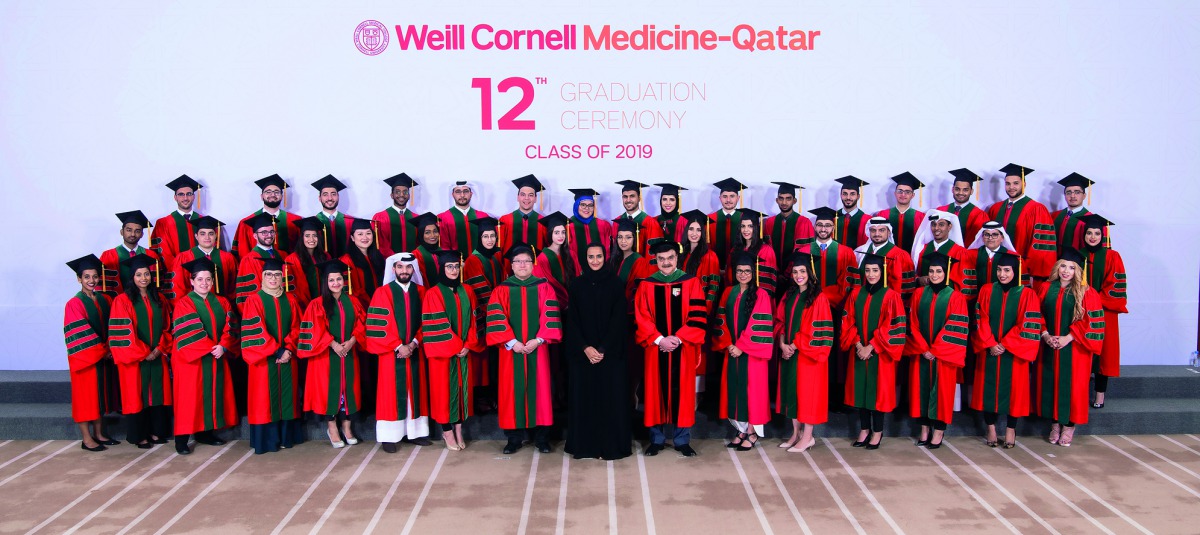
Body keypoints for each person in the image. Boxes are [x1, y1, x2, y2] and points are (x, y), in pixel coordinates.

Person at [485, 245, 563, 454]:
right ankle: (513, 439)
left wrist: (538, 340)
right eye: (518, 261)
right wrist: (512, 342)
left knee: (541, 391)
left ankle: (542, 439)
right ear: (511, 265)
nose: (522, 265)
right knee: (511, 392)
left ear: (532, 264)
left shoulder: (544, 287)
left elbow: (550, 315)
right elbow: (496, 318)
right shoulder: (502, 290)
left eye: (526, 261)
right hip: (511, 352)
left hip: (538, 349)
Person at [634, 241, 708, 457]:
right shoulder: (647, 285)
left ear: (677, 258)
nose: (666, 263)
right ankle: (656, 440)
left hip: (682, 349)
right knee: (654, 393)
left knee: (683, 394)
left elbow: (697, 316)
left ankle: (682, 440)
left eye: (670, 258)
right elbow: (642, 317)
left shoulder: (691, 283)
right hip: (655, 349)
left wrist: (677, 338)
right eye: (661, 259)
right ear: (656, 260)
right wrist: (660, 340)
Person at [564, 243, 632, 460]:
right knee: (585, 400)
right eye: (591, 257)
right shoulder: (577, 285)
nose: (595, 261)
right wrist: (586, 348)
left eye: (599, 256)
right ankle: (586, 447)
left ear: (605, 257)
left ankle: (610, 446)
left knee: (610, 400)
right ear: (585, 259)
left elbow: (618, 320)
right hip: (583, 355)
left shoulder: (615, 283)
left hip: (610, 355)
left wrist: (602, 349)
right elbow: (572, 321)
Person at [970, 251, 1042, 449]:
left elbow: (1027, 324)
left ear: (1015, 271)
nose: (1002, 274)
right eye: (1000, 270)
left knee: (1015, 394)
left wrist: (1005, 344)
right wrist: (990, 343)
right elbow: (980, 318)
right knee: (987, 391)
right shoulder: (987, 290)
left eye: (1007, 270)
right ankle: (991, 428)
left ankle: (1011, 429)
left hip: (1014, 353)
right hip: (989, 350)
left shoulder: (1027, 294)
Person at [1036, 248, 1105, 447]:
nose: (1066, 271)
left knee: (1073, 388)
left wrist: (1068, 337)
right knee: (1051, 385)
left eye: (1072, 268)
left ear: (1078, 271)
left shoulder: (1086, 292)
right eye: (1063, 266)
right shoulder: (1046, 288)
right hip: (1049, 345)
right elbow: (1035, 313)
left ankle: (1069, 426)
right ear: (1057, 267)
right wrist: (1046, 335)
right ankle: (1055, 425)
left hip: (1076, 348)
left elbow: (1092, 321)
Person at [365, 252, 433, 452]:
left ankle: (416, 433)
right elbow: (379, 325)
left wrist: (414, 343)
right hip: (391, 354)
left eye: (408, 267)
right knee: (390, 394)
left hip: (415, 351)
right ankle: (390, 436)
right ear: (393, 269)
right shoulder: (383, 292)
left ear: (413, 269)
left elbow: (427, 321)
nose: (404, 271)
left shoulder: (422, 292)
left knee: (416, 392)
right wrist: (398, 346)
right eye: (400, 267)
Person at [171, 257, 238, 455]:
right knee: (189, 399)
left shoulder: (222, 301)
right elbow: (189, 332)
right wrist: (211, 347)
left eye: (208, 279)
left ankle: (205, 434)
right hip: (190, 361)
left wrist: (224, 346)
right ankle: (181, 440)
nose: (204, 283)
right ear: (191, 281)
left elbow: (231, 326)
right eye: (200, 279)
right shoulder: (184, 303)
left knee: (211, 396)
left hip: (216, 356)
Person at [840, 252, 907, 450]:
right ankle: (864, 429)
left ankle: (877, 431)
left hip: (880, 354)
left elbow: (893, 326)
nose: (871, 274)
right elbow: (847, 321)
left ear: (882, 272)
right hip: (859, 351)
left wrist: (872, 346)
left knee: (878, 394)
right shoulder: (855, 294)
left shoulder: (892, 296)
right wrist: (858, 344)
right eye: (868, 270)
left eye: (875, 270)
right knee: (860, 392)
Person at [903, 252, 969, 449]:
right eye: (931, 271)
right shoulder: (918, 294)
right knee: (920, 391)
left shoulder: (956, 297)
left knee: (942, 393)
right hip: (921, 352)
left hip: (944, 356)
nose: (934, 275)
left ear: (946, 273)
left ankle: (939, 431)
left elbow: (955, 327)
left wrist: (936, 349)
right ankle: (924, 430)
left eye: (939, 271)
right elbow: (912, 323)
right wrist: (923, 348)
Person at [239, 258, 305, 454]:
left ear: (282, 277)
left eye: (277, 275)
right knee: (264, 400)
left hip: (287, 358)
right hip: (264, 361)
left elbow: (297, 327)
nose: (273, 278)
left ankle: (285, 438)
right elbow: (255, 331)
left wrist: (289, 348)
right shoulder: (254, 300)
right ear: (263, 277)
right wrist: (277, 350)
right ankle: (267, 442)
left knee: (287, 398)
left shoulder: (290, 299)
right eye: (269, 274)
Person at [298, 259, 366, 448]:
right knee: (329, 392)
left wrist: (352, 341)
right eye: (331, 280)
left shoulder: (353, 302)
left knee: (347, 390)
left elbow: (362, 324)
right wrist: (334, 344)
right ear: (325, 282)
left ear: (344, 281)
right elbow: (315, 329)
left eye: (339, 279)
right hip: (326, 357)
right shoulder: (317, 304)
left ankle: (347, 427)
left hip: (349, 354)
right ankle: (332, 428)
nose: (336, 283)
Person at [108, 254, 173, 449]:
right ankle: (140, 435)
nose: (143, 278)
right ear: (132, 277)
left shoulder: (159, 298)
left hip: (157, 356)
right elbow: (122, 333)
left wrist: (159, 348)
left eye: (146, 274)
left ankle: (155, 431)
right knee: (137, 396)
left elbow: (168, 327)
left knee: (156, 395)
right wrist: (145, 352)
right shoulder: (122, 300)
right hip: (135, 360)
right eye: (138, 274)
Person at [422, 250, 484, 451]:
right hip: (443, 355)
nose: (454, 270)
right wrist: (458, 346)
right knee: (443, 392)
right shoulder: (433, 293)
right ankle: (447, 430)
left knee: (461, 389)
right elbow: (436, 325)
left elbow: (474, 320)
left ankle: (458, 428)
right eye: (449, 267)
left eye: (456, 266)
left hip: (463, 352)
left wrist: (468, 345)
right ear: (442, 268)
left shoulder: (467, 290)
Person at [712, 253, 774, 451]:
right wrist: (728, 344)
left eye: (747, 271)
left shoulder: (761, 294)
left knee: (752, 392)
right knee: (735, 390)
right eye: (739, 271)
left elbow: (759, 323)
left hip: (752, 355)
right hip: (732, 352)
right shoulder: (728, 292)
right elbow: (720, 319)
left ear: (753, 273)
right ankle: (741, 430)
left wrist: (741, 346)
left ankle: (752, 432)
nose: (743, 274)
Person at [775, 252, 834, 453]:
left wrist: (793, 345)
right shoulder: (789, 295)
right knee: (792, 394)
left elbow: (817, 329)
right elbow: (780, 321)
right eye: (795, 272)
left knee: (808, 395)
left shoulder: (819, 298)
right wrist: (782, 344)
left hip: (808, 355)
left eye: (802, 271)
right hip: (790, 354)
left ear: (810, 273)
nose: (798, 275)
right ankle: (796, 434)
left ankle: (808, 437)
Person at [63, 254, 120, 452]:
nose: (91, 280)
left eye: (95, 276)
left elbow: (113, 326)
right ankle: (87, 439)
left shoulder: (104, 299)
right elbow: (81, 333)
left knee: (99, 397)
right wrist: (103, 351)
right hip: (86, 359)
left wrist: (110, 347)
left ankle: (99, 434)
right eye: (86, 277)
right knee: (85, 399)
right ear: (79, 279)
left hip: (103, 357)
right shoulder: (74, 303)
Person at [1078, 214, 1126, 408]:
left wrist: (1093, 299)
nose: (1092, 237)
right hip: (1080, 311)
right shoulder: (1077, 256)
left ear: (1103, 236)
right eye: (1089, 233)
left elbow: (1116, 285)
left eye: (1097, 233)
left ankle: (1100, 396)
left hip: (1105, 312)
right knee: (1082, 352)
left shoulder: (1112, 256)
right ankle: (1080, 394)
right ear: (1084, 235)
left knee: (1103, 355)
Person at [985, 163, 1056, 291]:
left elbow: (1041, 246)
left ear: (1024, 184)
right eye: (1008, 183)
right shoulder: (995, 209)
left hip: (1022, 270)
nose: (1011, 187)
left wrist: (1031, 272)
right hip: (997, 269)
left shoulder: (1037, 209)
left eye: (1016, 183)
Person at [463, 217, 506, 413]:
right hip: (483, 316)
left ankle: (496, 396)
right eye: (485, 236)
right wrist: (498, 312)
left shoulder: (496, 257)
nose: (490, 240)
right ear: (479, 238)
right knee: (483, 360)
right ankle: (483, 398)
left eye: (492, 236)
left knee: (495, 360)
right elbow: (480, 290)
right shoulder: (473, 260)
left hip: (498, 314)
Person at [166, 216, 238, 301]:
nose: (207, 237)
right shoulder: (183, 258)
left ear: (216, 236)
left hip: (222, 306)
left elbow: (233, 288)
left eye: (211, 233)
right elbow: (179, 288)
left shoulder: (228, 258)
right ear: (196, 236)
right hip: (193, 306)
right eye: (202, 234)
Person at [232, 174, 301, 258]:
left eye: (276, 192)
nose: (273, 195)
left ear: (282, 196)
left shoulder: (295, 221)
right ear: (262, 196)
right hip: (257, 265)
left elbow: (301, 250)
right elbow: (243, 251)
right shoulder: (246, 223)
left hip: (287, 265)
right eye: (268, 192)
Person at [853, 217, 917, 303]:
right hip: (861, 300)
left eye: (881, 230)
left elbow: (905, 288)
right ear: (869, 232)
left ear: (889, 232)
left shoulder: (900, 255)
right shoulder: (859, 252)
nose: (877, 234)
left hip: (886, 304)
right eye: (873, 230)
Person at [99, 210, 161, 298]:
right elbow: (104, 287)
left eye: (137, 231)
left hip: (145, 302)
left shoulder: (151, 255)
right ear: (121, 232)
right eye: (129, 230)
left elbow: (155, 284)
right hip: (117, 302)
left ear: (142, 234)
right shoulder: (109, 256)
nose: (133, 234)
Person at [764, 181, 815, 286]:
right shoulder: (769, 223)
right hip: (773, 276)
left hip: (796, 277)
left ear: (794, 201)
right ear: (777, 200)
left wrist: (789, 272)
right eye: (781, 198)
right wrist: (776, 272)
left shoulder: (804, 222)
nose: (784, 202)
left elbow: (805, 252)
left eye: (788, 198)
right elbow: (767, 251)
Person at [151, 175, 204, 272]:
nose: (185, 198)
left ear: (194, 196)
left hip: (201, 274)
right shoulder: (163, 223)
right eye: (181, 194)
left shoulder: (204, 221)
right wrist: (178, 271)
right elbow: (163, 253)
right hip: (175, 273)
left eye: (189, 194)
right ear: (175, 197)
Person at [234, 212, 283, 309]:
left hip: (283, 305)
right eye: (264, 232)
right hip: (262, 308)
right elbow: (247, 292)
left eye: (272, 231)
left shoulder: (282, 255)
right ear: (255, 236)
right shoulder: (249, 259)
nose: (269, 235)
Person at [961, 221, 1019, 302]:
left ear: (1002, 238)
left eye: (995, 235)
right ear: (982, 237)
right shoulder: (970, 255)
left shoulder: (1013, 257)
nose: (990, 238)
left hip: (1004, 300)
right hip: (976, 300)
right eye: (986, 234)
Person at [725, 208, 778, 295]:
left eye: (750, 226)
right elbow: (728, 278)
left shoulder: (766, 250)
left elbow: (766, 284)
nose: (746, 230)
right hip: (737, 296)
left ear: (756, 228)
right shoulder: (735, 250)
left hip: (756, 298)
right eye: (743, 226)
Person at [910, 210, 967, 290]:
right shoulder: (921, 249)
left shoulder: (959, 252)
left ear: (949, 227)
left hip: (947, 296)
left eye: (941, 225)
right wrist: (918, 279)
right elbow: (913, 273)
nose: (936, 228)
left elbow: (961, 282)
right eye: (933, 224)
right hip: (923, 294)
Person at [678, 210, 722, 309]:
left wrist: (705, 309)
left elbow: (713, 286)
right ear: (686, 230)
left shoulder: (710, 256)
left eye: (698, 230)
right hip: (681, 304)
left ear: (703, 233)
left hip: (699, 306)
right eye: (691, 229)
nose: (694, 233)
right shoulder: (681, 254)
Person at [283, 216, 331, 307]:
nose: (311, 239)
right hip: (302, 305)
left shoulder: (325, 256)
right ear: (302, 238)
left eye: (314, 236)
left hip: (324, 304)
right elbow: (289, 287)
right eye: (307, 236)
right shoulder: (291, 259)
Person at [340, 218, 387, 310]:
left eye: (368, 233)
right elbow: (348, 292)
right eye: (360, 234)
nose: (365, 237)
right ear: (352, 238)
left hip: (380, 305)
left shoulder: (377, 257)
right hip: (360, 308)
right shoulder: (346, 261)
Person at [498, 174, 548, 256]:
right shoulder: (505, 220)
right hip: (510, 264)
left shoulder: (543, 222)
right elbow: (499, 249)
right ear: (518, 197)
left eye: (530, 195)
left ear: (535, 199)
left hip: (536, 263)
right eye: (523, 194)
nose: (526, 198)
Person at [372, 172, 420, 257]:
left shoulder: (416, 218)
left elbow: (419, 243)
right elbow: (379, 243)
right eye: (397, 192)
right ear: (392, 195)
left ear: (409, 195)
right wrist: (395, 259)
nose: (401, 195)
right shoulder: (380, 217)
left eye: (405, 192)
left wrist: (411, 258)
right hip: (388, 261)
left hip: (412, 261)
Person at [533, 211, 576, 305]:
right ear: (550, 234)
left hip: (573, 302)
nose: (561, 236)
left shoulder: (571, 254)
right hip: (553, 303)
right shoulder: (542, 257)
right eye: (556, 233)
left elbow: (578, 277)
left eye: (563, 232)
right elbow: (543, 285)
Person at [438, 181, 491, 256]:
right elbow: (444, 246)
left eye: (466, 191)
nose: (462, 195)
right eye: (458, 192)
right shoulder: (443, 218)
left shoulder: (482, 216)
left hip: (480, 260)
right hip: (455, 262)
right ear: (453, 195)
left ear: (471, 194)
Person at [939, 168, 989, 246]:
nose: (961, 193)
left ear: (971, 191)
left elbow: (978, 243)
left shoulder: (978, 215)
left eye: (965, 190)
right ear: (952, 189)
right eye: (957, 189)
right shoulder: (941, 211)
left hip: (966, 252)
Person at [311, 174, 356, 258]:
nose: (330, 198)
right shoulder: (313, 222)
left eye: (333, 194)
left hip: (347, 265)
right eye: (325, 194)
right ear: (319, 198)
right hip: (321, 265)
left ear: (338, 197)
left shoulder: (350, 221)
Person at [614, 180, 663, 254]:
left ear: (639, 198)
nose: (628, 200)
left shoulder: (650, 223)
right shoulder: (617, 221)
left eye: (632, 196)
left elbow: (653, 255)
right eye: (625, 197)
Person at [611, 218, 655, 301]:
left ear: (634, 239)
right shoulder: (613, 259)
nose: (623, 241)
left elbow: (636, 292)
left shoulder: (639, 261)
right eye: (620, 237)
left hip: (626, 306)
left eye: (628, 237)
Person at [566, 188, 613, 265]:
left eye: (590, 205)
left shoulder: (603, 225)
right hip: (575, 269)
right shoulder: (568, 226)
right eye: (583, 204)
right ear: (576, 205)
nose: (587, 208)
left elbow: (608, 252)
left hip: (600, 268)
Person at [707, 177, 746, 271]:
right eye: (725, 196)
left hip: (740, 271)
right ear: (720, 198)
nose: (728, 200)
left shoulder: (745, 219)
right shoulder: (709, 219)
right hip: (714, 269)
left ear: (738, 198)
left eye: (732, 196)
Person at [1050, 173, 1094, 251]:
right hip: (1055, 258)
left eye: (1077, 192)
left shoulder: (1090, 219)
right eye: (1068, 193)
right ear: (1065, 196)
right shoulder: (1055, 216)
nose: (1072, 196)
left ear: (1084, 196)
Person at [833, 175, 871, 250]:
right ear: (841, 195)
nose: (848, 198)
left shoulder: (867, 220)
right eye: (845, 194)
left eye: (852, 194)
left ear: (858, 196)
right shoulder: (832, 218)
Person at [407, 212, 443, 285]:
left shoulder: (443, 252)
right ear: (421, 235)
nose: (433, 235)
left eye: (435, 231)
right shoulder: (416, 255)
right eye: (427, 232)